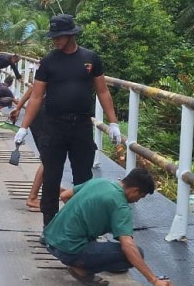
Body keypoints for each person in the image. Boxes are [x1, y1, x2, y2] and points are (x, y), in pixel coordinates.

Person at [15, 14, 122, 227]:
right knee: (52, 177)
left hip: (82, 126)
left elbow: (102, 91)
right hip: (54, 125)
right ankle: (50, 226)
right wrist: (24, 126)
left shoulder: (90, 59)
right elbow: (36, 96)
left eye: (59, 36)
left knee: (83, 178)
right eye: (53, 37)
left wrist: (114, 123)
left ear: (71, 35)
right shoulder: (48, 62)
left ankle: (80, 225)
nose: (55, 40)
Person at [43, 168, 175, 286]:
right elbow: (128, 246)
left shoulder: (99, 182)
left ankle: (81, 259)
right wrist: (154, 279)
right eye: (140, 197)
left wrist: (83, 220)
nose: (137, 201)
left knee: (111, 250)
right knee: (135, 254)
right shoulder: (120, 206)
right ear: (135, 190)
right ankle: (80, 269)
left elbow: (64, 195)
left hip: (50, 240)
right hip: (69, 250)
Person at [10, 88, 46, 213]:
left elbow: (33, 88)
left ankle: (55, 190)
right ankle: (33, 197)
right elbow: (34, 88)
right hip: (44, 115)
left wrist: (19, 107)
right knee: (49, 158)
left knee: (49, 158)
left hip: (41, 114)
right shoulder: (56, 68)